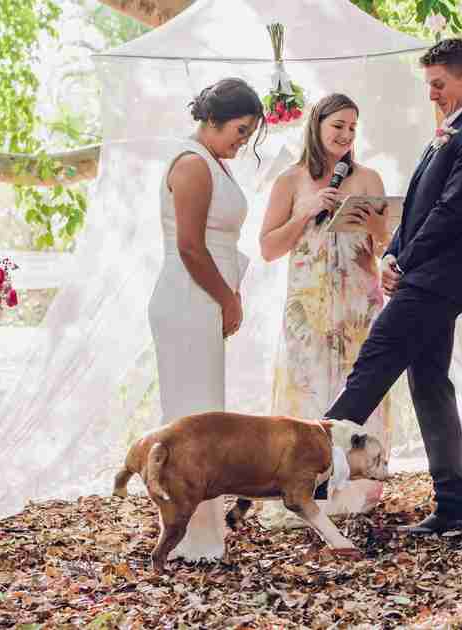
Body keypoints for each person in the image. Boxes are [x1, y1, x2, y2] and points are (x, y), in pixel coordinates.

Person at [325, 38, 462, 535]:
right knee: (429, 386)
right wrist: (391, 253)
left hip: (435, 281)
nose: (432, 95)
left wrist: (404, 261)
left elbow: (454, 212)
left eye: (438, 84)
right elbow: (419, 205)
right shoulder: (445, 133)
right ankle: (455, 506)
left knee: (372, 365)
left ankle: (304, 474)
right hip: (422, 275)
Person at [148, 77, 266, 561]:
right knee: (191, 424)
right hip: (188, 298)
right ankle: (188, 538)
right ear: (213, 120)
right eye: (240, 130)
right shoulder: (193, 164)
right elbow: (190, 247)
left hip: (204, 298)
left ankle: (199, 532)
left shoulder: (212, 160)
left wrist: (228, 293)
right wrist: (229, 299)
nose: (242, 141)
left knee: (203, 420)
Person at [259, 93, 393, 519]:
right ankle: (303, 489)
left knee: (358, 392)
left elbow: (387, 244)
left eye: (353, 127)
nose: (346, 134)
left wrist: (375, 225)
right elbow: (267, 248)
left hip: (359, 309)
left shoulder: (369, 178)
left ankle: (356, 491)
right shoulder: (291, 181)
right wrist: (307, 212)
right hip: (309, 310)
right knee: (311, 392)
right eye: (338, 125)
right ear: (317, 125)